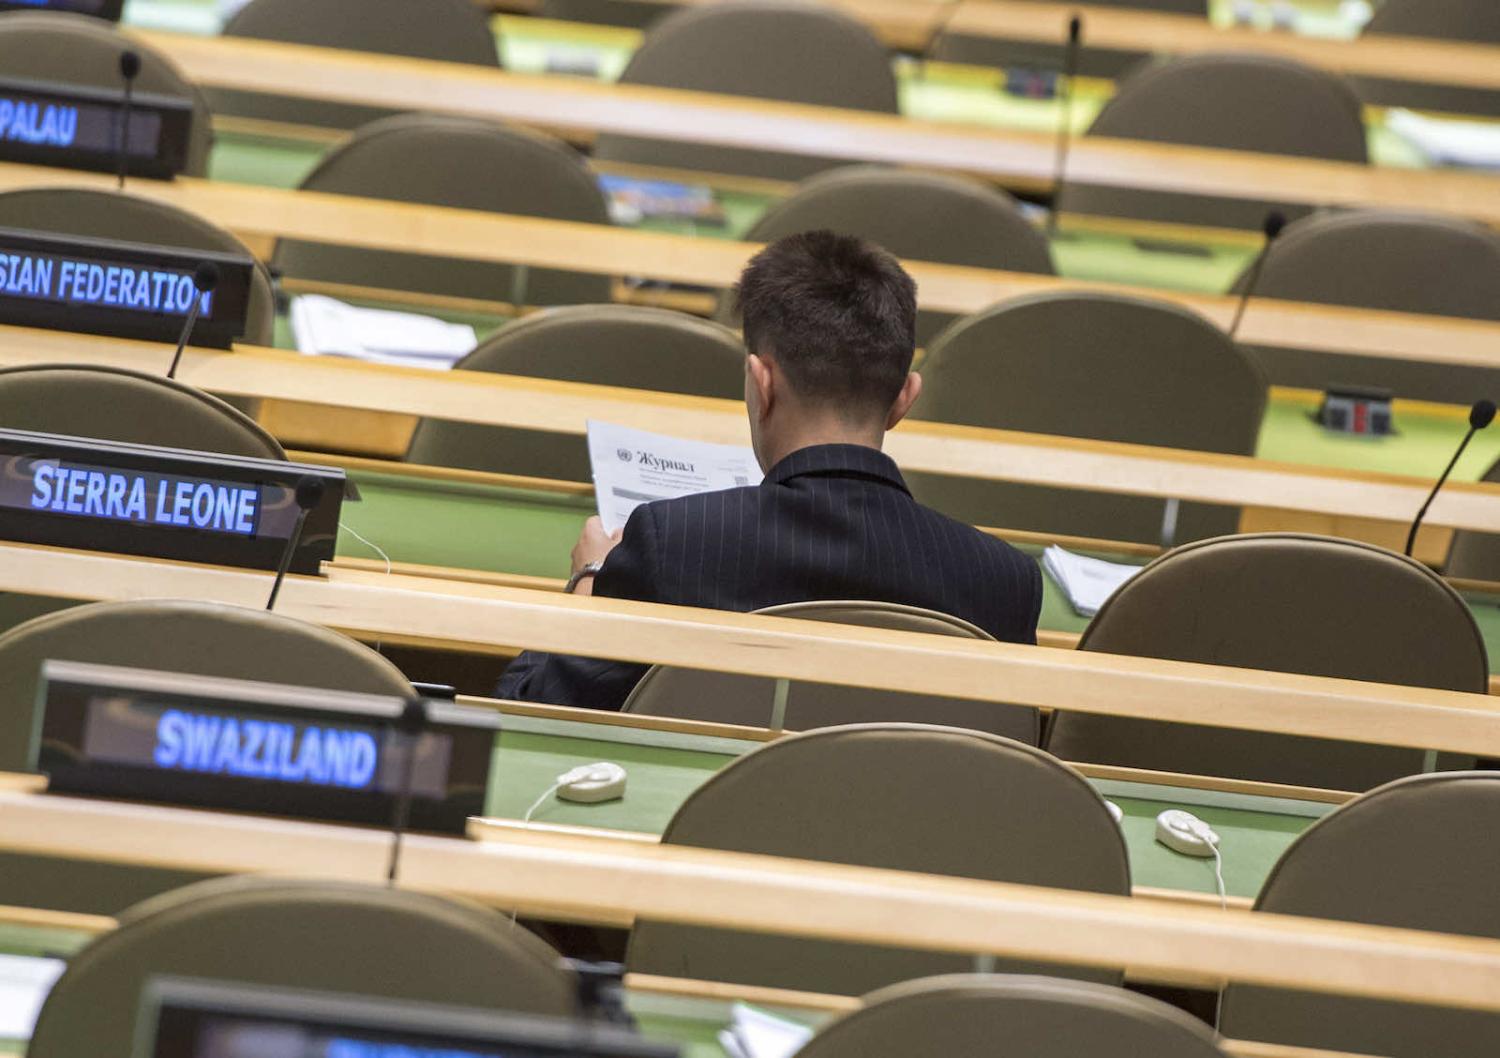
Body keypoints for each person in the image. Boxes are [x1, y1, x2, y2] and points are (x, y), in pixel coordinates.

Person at [498, 230, 1042, 709]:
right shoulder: (1004, 583)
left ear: (762, 384)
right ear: (905, 398)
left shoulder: (673, 545)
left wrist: (587, 586)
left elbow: (528, 713)